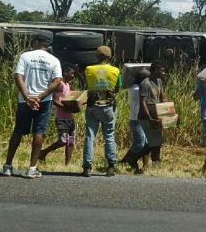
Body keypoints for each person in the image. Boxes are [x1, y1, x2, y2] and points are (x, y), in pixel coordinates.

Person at [3, 34, 62, 179]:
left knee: (18, 131)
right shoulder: (54, 60)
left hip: (25, 100)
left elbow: (18, 76)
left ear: (36, 42)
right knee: (39, 131)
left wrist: (27, 97)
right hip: (44, 101)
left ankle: (8, 166)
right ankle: (32, 168)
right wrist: (40, 97)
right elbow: (57, 81)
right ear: (47, 45)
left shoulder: (26, 56)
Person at [82, 46, 122, 177]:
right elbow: (118, 88)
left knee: (90, 136)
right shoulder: (115, 70)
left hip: (93, 106)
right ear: (110, 56)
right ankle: (111, 166)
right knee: (109, 136)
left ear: (97, 56)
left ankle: (87, 167)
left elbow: (87, 85)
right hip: (108, 106)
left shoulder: (89, 69)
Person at [127, 62, 168, 173]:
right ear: (155, 71)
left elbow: (162, 96)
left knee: (157, 141)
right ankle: (133, 158)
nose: (164, 73)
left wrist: (169, 112)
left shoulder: (159, 81)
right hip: (145, 116)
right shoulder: (145, 83)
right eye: (162, 70)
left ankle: (151, 162)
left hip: (156, 114)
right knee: (153, 142)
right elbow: (143, 102)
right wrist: (150, 119)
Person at [39, 63, 78, 165]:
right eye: (71, 73)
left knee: (70, 141)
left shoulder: (68, 84)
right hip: (61, 117)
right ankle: (43, 152)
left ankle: (67, 164)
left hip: (70, 117)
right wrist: (66, 107)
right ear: (65, 73)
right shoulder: (60, 84)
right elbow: (55, 100)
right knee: (63, 140)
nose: (73, 76)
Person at [120, 69, 150, 174]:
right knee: (140, 143)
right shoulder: (136, 89)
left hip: (141, 119)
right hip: (137, 119)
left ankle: (127, 161)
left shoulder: (133, 87)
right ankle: (131, 160)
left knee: (145, 143)